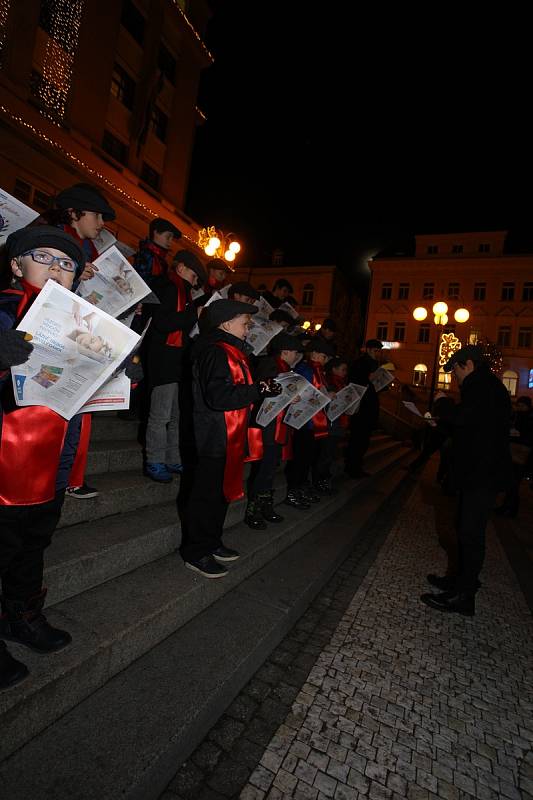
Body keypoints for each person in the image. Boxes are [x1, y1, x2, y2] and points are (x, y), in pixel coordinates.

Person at [0, 226, 86, 690]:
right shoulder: (2, 309)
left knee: (33, 548)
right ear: (17, 265)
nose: (56, 268)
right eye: (45, 257)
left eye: (67, 263)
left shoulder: (84, 323)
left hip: (52, 459)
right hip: (4, 464)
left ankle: (22, 617)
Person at [179, 300, 281, 578]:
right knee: (205, 496)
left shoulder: (232, 351)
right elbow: (219, 397)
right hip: (212, 436)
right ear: (226, 323)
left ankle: (211, 542)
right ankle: (196, 552)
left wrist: (260, 389)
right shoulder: (214, 351)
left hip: (227, 436)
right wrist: (256, 390)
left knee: (220, 494)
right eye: (245, 323)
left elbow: (236, 390)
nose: (249, 329)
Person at [421, 345, 512, 616]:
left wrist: (442, 402)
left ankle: (464, 595)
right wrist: (444, 424)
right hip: (478, 472)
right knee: (463, 528)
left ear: (468, 364)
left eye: (456, 371)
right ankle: (458, 581)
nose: (454, 378)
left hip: (482, 474)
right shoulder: (483, 386)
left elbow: (466, 417)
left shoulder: (482, 387)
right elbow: (470, 426)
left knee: (471, 534)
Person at [45, 183, 117, 499]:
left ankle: (63, 481)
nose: (101, 224)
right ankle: (54, 483)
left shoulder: (88, 249)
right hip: (54, 339)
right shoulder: (53, 241)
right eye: (96, 216)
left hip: (79, 337)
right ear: (74, 214)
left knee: (75, 415)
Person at [143, 250, 206, 483]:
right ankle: (154, 460)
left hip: (178, 361)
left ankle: (172, 458)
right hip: (163, 361)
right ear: (181, 269)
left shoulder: (184, 292)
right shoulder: (169, 288)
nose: (196, 281)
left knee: (176, 415)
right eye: (194, 274)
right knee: (160, 415)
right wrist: (194, 314)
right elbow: (162, 322)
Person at [245, 332, 304, 528]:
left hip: (278, 427)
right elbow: (264, 389)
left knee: (270, 468)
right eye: (295, 352)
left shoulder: (285, 367)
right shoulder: (270, 364)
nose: (297, 356)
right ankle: (253, 509)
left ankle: (265, 506)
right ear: (285, 352)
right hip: (268, 426)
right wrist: (288, 395)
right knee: (264, 469)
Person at [285, 338, 336, 507]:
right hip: (303, 422)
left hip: (314, 423)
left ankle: (302, 488)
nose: (325, 360)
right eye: (323, 356)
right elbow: (304, 393)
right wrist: (323, 396)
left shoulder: (319, 371)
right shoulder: (305, 369)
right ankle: (293, 491)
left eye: (326, 357)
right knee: (300, 459)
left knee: (308, 459)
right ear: (314, 353)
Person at [344, 338, 383, 479]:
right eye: (375, 351)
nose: (377, 353)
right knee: (357, 439)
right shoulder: (360, 363)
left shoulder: (375, 364)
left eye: (379, 351)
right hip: (361, 407)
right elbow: (355, 383)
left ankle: (356, 466)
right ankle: (352, 467)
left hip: (369, 406)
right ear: (368, 349)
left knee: (364, 440)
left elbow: (372, 387)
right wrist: (368, 379)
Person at [494, 395, 533, 517]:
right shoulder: (518, 416)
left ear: (527, 406)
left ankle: (510, 509)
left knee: (514, 483)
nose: (519, 408)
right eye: (518, 405)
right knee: (511, 482)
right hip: (514, 452)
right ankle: (507, 507)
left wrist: (517, 435)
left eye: (522, 406)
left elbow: (528, 437)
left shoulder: (529, 418)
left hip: (522, 453)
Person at [131, 217, 182, 285]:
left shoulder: (160, 259)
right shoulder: (147, 255)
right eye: (168, 237)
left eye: (172, 239)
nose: (170, 242)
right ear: (156, 233)